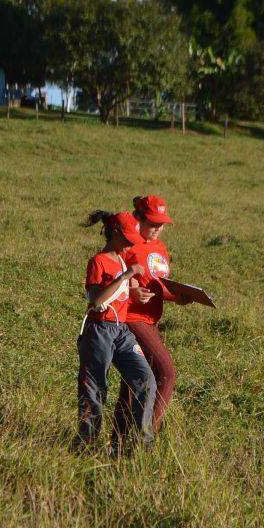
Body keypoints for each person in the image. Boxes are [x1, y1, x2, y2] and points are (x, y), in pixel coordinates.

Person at [76, 210, 157, 456]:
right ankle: (86, 447)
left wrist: (136, 292)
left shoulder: (122, 260)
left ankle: (141, 445)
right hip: (99, 329)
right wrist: (127, 275)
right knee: (95, 388)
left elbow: (122, 290)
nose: (133, 242)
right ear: (115, 233)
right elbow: (96, 299)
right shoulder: (98, 261)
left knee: (146, 379)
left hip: (121, 330)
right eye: (129, 237)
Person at [112, 195, 191, 435]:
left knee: (132, 382)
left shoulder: (159, 247)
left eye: (162, 224)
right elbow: (108, 280)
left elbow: (158, 284)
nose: (158, 228)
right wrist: (130, 290)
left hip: (152, 319)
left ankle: (118, 443)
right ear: (138, 218)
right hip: (131, 317)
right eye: (153, 223)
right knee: (166, 372)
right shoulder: (127, 244)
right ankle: (146, 435)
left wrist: (178, 296)